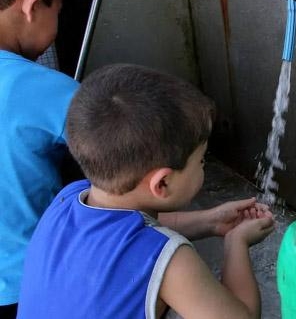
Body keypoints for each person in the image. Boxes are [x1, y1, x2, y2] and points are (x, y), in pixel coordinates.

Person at [18, 64, 276, 318]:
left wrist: (211, 221)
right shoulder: (170, 260)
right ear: (162, 184)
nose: (203, 166)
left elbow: (127, 231)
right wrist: (236, 243)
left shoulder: (68, 199)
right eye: (201, 161)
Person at [0, 0, 78, 315]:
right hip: (29, 283)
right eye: (57, 12)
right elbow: (128, 172)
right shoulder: (50, 90)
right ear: (33, 4)